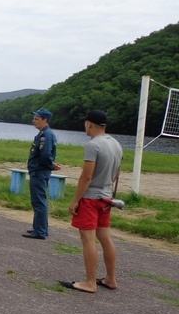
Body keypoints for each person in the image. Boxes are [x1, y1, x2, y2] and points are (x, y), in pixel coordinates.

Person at [60, 110, 123, 294]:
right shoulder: (116, 144)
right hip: (106, 198)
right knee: (105, 238)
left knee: (88, 239)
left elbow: (86, 177)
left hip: (90, 199)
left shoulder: (93, 145)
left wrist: (75, 201)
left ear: (89, 124)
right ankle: (111, 278)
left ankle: (90, 282)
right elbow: (116, 174)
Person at [23, 108, 60, 239]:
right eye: (34, 119)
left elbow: (45, 155)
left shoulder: (46, 135)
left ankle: (40, 231)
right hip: (38, 171)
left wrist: (50, 165)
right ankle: (39, 227)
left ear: (45, 120)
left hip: (39, 172)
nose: (34, 121)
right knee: (37, 200)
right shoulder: (43, 133)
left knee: (39, 201)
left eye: (37, 119)